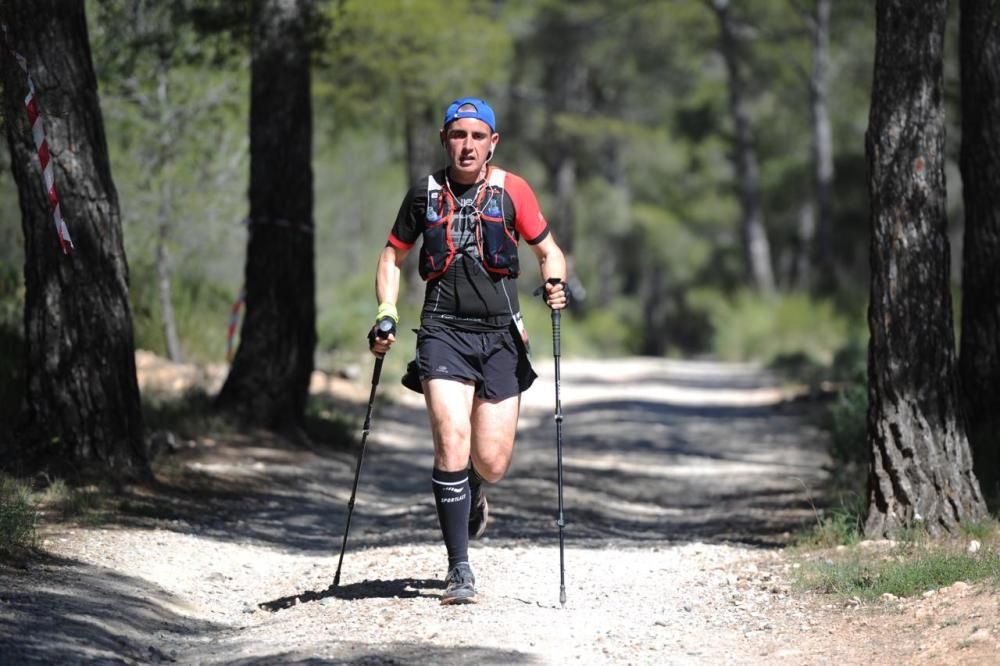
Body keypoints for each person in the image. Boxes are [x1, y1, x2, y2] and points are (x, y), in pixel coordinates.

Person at [370, 96, 567, 605]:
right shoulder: (425, 193)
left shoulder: (512, 191)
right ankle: (459, 569)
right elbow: (393, 255)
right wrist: (386, 311)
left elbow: (548, 250)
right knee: (451, 440)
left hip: (501, 335)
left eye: (478, 136)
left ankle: (475, 489)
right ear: (445, 140)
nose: (468, 145)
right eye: (459, 135)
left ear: (492, 143)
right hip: (442, 331)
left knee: (492, 460)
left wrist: (555, 282)